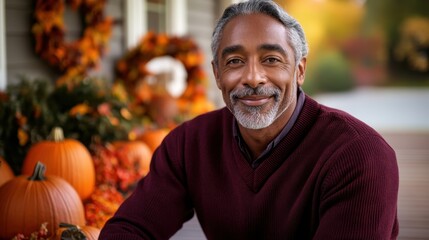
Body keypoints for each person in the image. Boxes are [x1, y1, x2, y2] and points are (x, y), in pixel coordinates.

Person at [99, 0, 399, 239]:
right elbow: (129, 230)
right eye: (235, 62)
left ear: (299, 70)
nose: (253, 77)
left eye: (271, 59)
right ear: (218, 75)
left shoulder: (360, 156)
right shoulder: (189, 144)